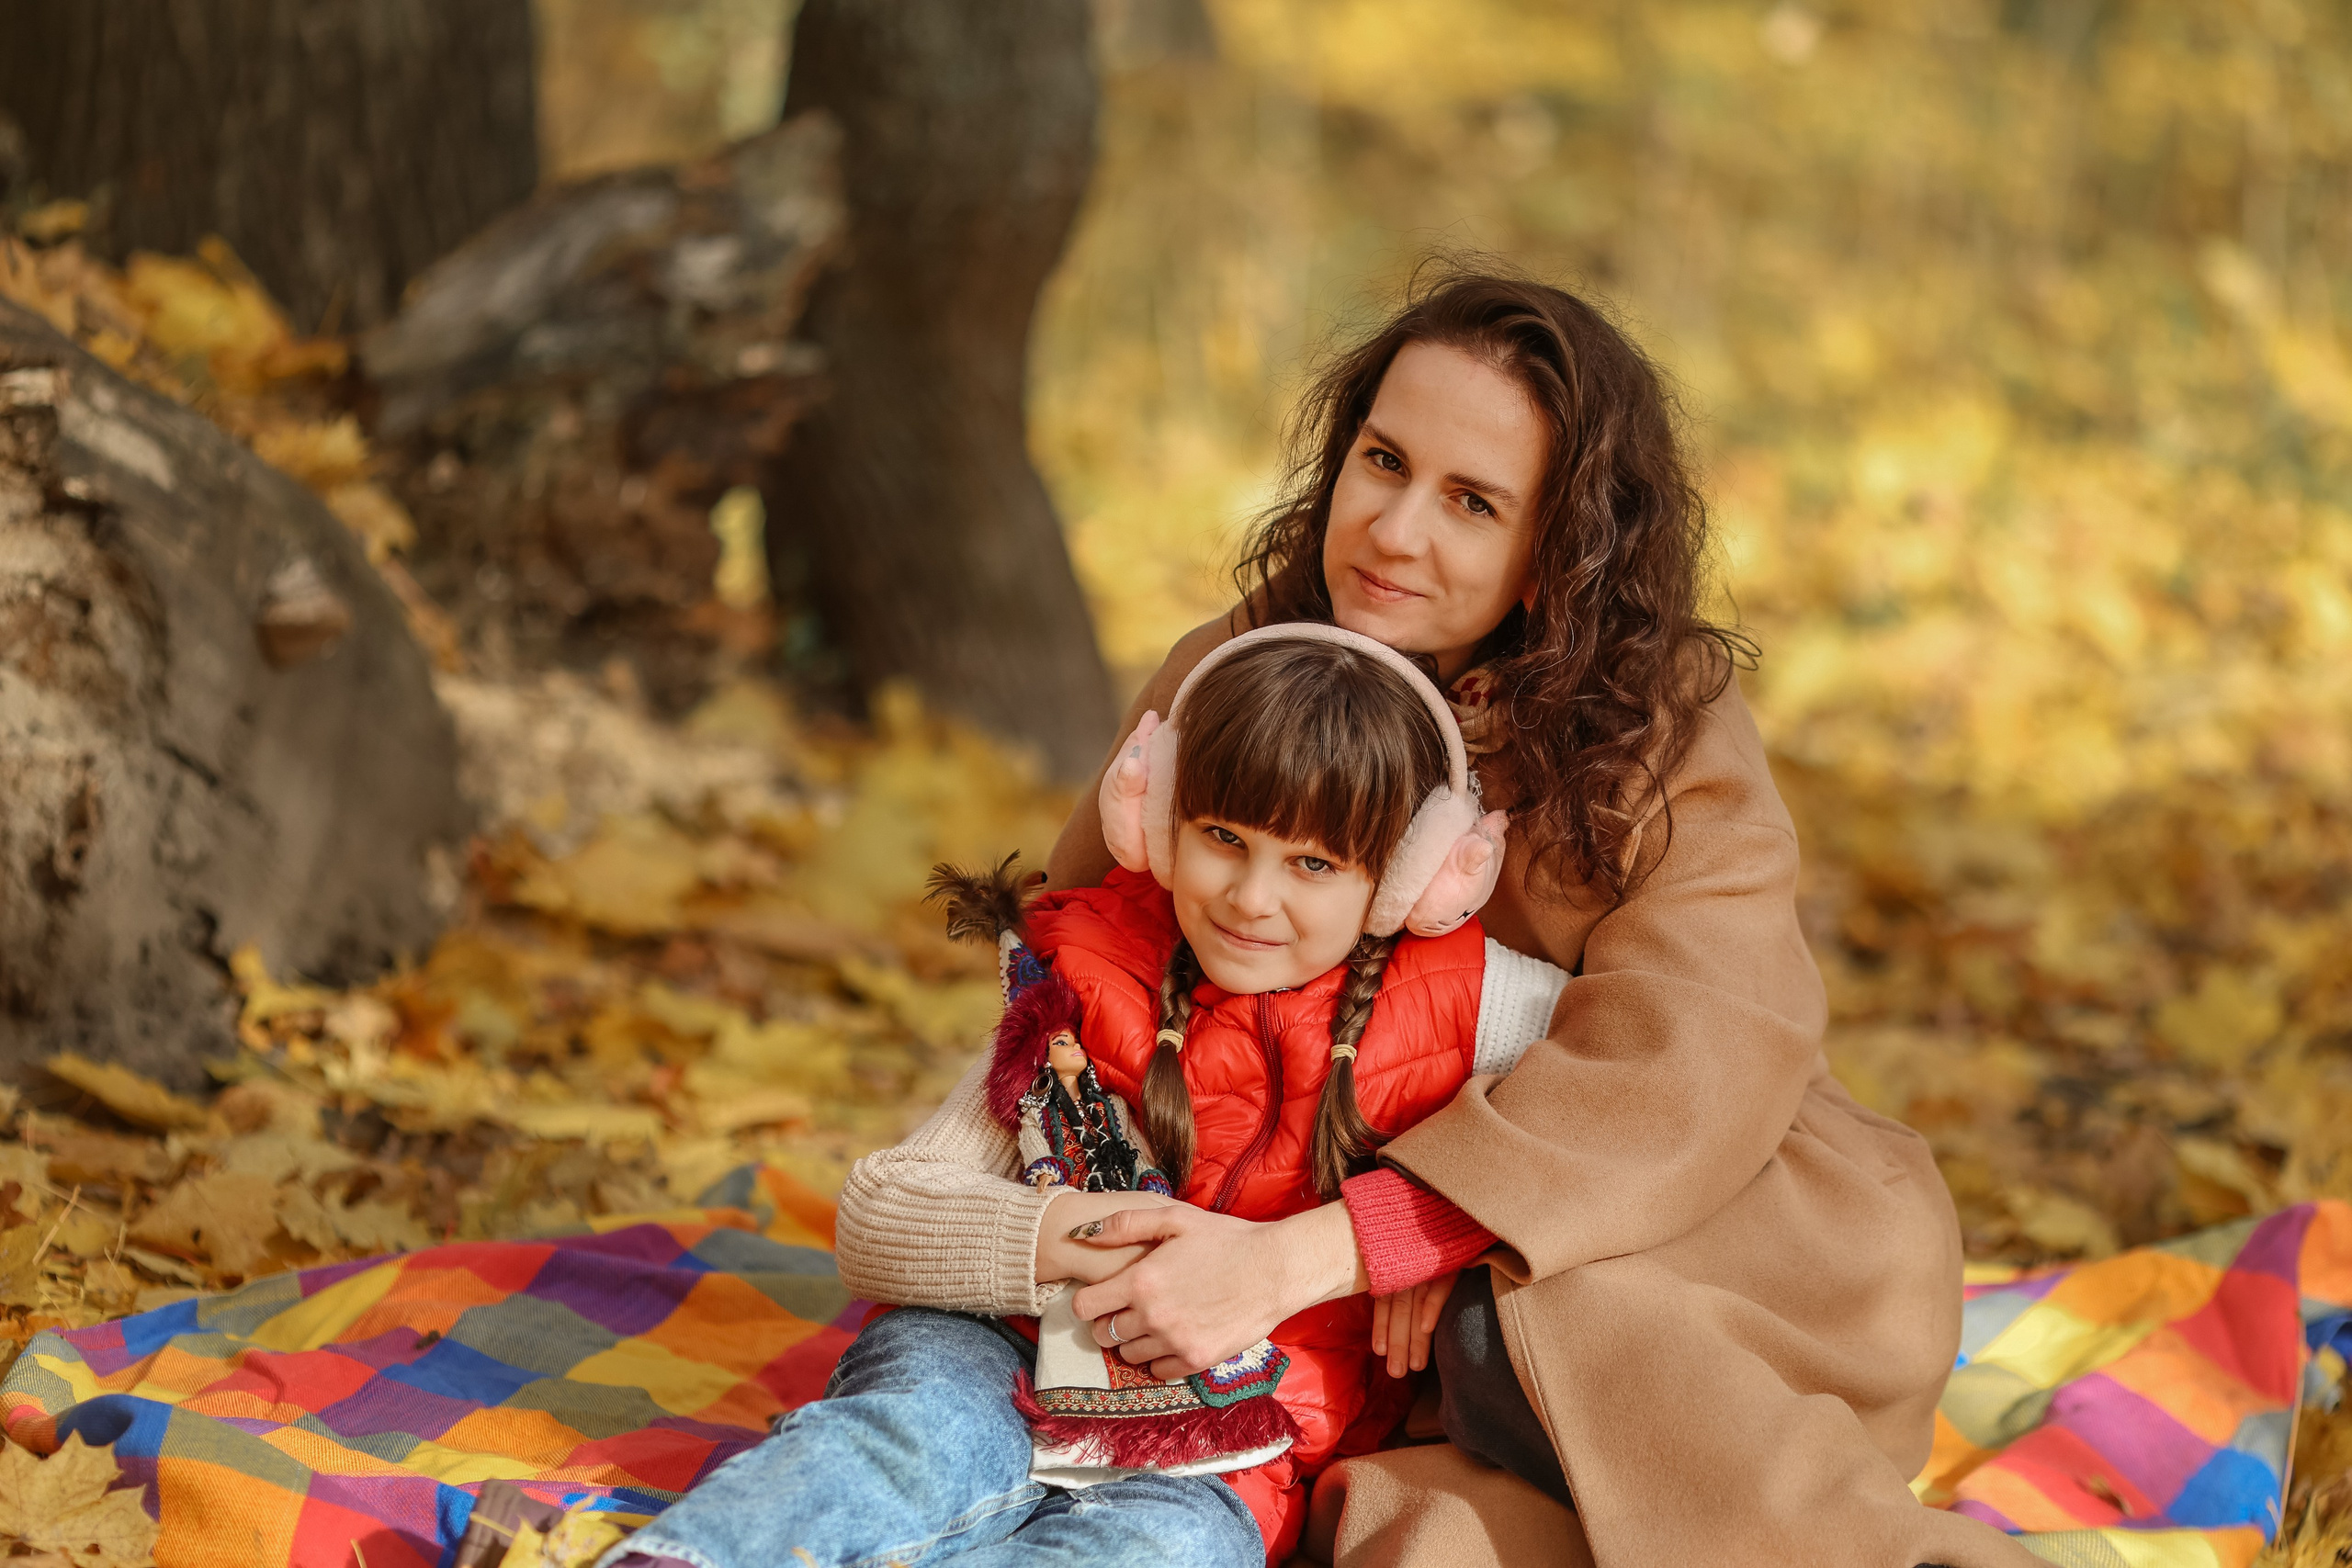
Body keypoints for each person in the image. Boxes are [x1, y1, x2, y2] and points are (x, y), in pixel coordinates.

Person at [854, 267, 2042, 1567]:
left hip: (1706, 1243)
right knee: (1396, 1529)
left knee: (1525, 1319)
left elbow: (1700, 1054)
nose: (1394, 530)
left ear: (1558, 548)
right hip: (1352, 1311)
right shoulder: (1239, 668)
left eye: (1471, 502)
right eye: (1383, 462)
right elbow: (1092, 981)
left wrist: (1384, 1225)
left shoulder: (1663, 726)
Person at [601, 626, 1577, 1568]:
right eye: (1223, 837)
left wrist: (1429, 1227)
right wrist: (1058, 1234)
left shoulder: (1472, 1004)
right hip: (993, 1351)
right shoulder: (1088, 975)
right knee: (904, 1448)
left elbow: (1605, 1108)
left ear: (1415, 878)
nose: (1249, 897)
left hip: (1224, 1447)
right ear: (1155, 813)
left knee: (1168, 1552)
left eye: (1313, 864)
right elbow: (879, 1211)